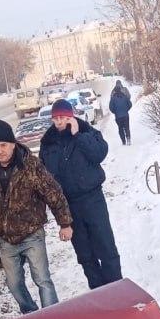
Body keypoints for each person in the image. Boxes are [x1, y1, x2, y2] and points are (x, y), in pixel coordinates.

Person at [0, 119, 73, 315]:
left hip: (32, 233)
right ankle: (31, 315)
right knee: (14, 284)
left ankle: (53, 318)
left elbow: (53, 193)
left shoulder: (30, 165)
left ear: (13, 144)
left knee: (42, 279)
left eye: (4, 145)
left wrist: (65, 223)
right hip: (6, 238)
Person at [40, 100, 122, 290]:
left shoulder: (87, 132)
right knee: (85, 253)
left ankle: (117, 290)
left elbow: (99, 153)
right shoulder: (48, 142)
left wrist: (78, 135)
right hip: (69, 205)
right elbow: (44, 175)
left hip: (93, 199)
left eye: (63, 117)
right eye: (56, 118)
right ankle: (98, 292)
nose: (59, 122)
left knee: (105, 245)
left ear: (72, 116)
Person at [109, 80, 132, 145]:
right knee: (127, 127)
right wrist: (126, 109)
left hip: (118, 116)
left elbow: (111, 107)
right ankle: (128, 139)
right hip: (125, 115)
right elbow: (130, 104)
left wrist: (115, 112)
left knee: (120, 128)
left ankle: (123, 141)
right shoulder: (125, 96)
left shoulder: (113, 97)